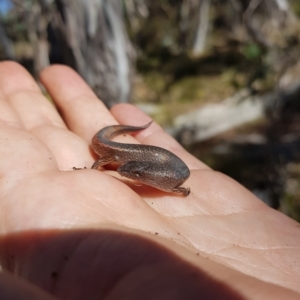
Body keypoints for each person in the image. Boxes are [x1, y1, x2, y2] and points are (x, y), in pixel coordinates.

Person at [0, 61, 299, 299]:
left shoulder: (174, 179)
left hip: (163, 168)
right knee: (123, 159)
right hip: (124, 151)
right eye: (134, 172)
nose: (129, 176)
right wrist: (96, 166)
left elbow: (167, 178)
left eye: (137, 174)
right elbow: (112, 160)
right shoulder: (136, 164)